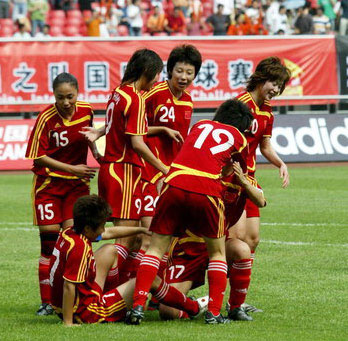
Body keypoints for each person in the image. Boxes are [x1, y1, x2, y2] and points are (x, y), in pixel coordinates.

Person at [126, 99, 253, 325]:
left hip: (173, 182)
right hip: (205, 189)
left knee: (155, 249)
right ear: (242, 126)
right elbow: (234, 169)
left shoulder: (200, 125)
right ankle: (214, 312)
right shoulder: (240, 138)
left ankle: (137, 307)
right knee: (217, 253)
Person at [49, 195, 208, 325]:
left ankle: (114, 296)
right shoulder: (79, 248)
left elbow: (109, 233)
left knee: (109, 250)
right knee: (147, 279)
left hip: (66, 304)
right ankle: (193, 307)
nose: (104, 230)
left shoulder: (71, 232)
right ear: (88, 228)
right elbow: (69, 286)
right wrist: (68, 323)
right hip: (86, 312)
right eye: (101, 226)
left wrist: (140, 229)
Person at [82, 49, 167, 262]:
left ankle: (121, 292)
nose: (158, 80)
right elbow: (137, 144)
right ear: (147, 71)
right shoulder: (135, 99)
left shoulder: (119, 92)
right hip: (123, 171)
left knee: (135, 239)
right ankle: (99, 282)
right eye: (157, 73)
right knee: (125, 240)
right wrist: (165, 168)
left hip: (117, 170)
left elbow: (118, 129)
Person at [25, 72, 98, 316]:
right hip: (49, 185)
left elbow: (88, 135)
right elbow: (38, 156)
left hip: (76, 187)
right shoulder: (46, 117)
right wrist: (72, 168)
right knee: (48, 244)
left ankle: (70, 297)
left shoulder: (86, 110)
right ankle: (46, 302)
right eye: (60, 97)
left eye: (70, 97)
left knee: (72, 242)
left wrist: (95, 151)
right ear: (53, 96)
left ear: (78, 93)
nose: (66, 102)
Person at [158, 161, 266, 322]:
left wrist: (244, 182)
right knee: (168, 313)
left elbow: (261, 201)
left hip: (218, 244)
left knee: (242, 249)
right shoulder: (197, 175)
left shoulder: (241, 178)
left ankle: (236, 307)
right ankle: (199, 304)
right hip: (189, 247)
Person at [233, 56, 291, 310]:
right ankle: (218, 295)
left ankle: (239, 300)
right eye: (273, 83)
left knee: (252, 239)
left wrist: (281, 164)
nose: (276, 90)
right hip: (233, 181)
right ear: (260, 79)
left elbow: (264, 145)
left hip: (251, 180)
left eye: (280, 86)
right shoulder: (239, 105)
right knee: (234, 242)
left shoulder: (267, 111)